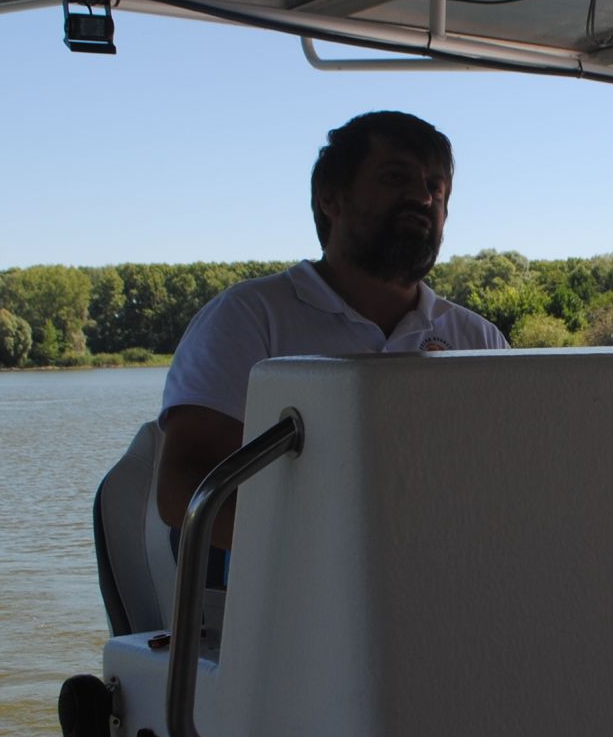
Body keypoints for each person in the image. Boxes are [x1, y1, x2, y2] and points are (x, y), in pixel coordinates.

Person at [155, 110, 507, 541]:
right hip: (290, 599)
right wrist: (341, 557)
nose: (423, 198)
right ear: (330, 198)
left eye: (436, 187)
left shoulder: (480, 339)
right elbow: (183, 490)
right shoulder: (248, 318)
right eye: (396, 178)